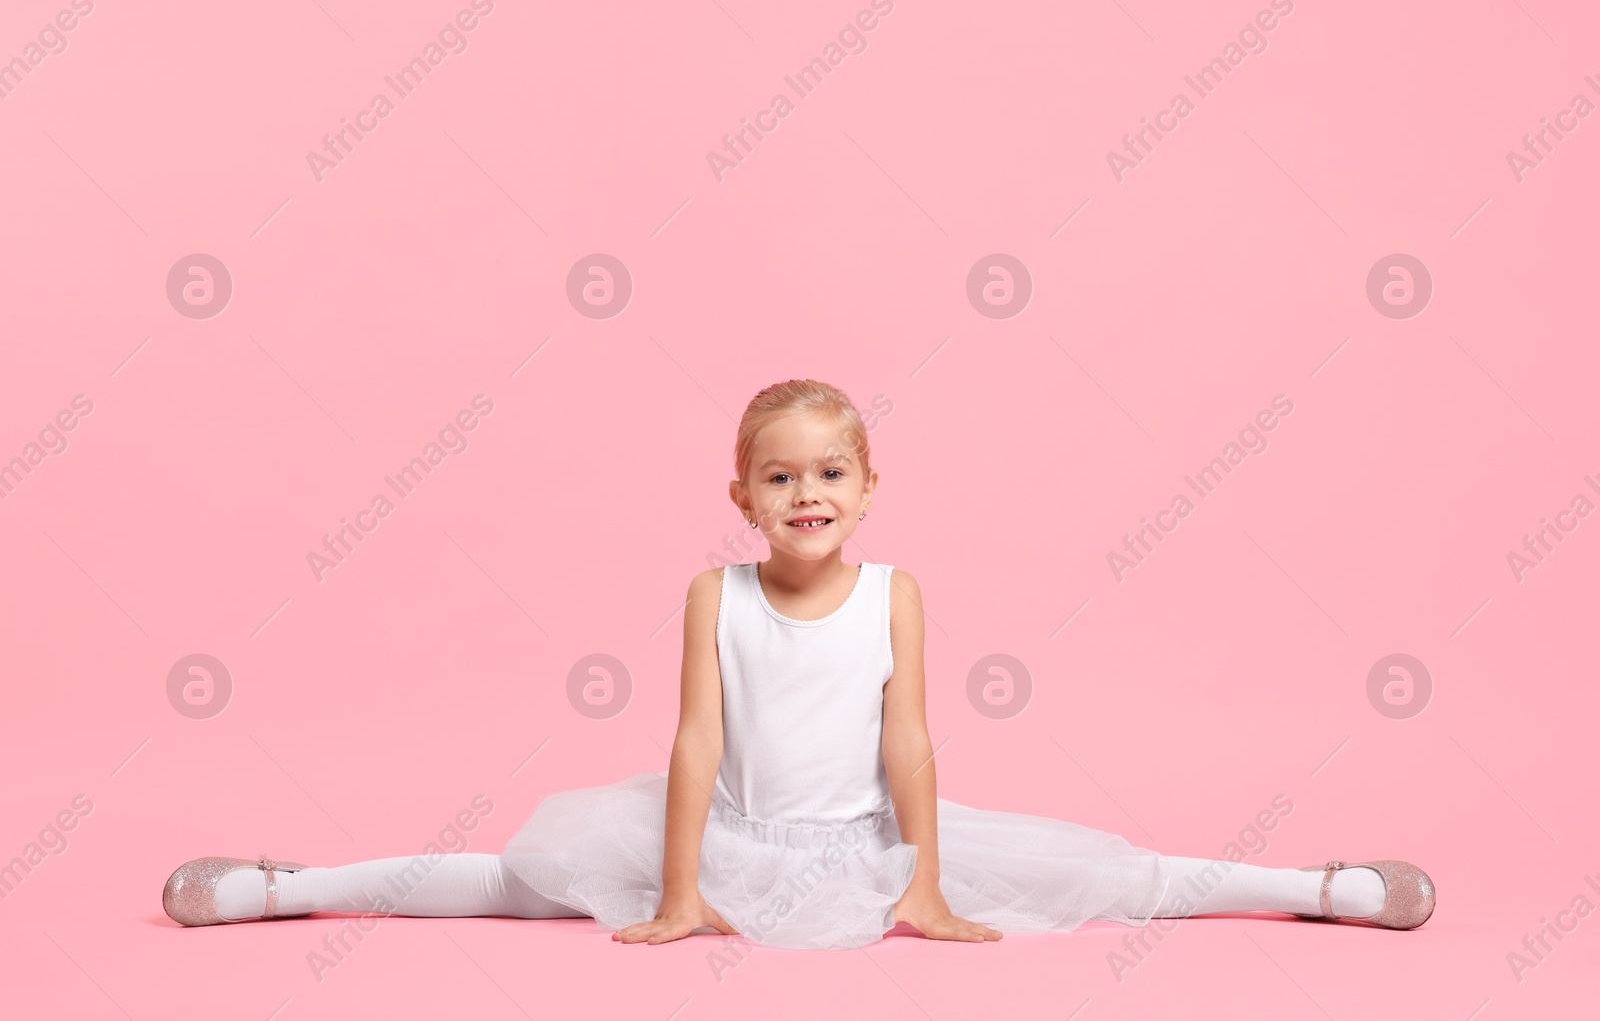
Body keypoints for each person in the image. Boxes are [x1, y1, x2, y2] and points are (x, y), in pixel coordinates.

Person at [162, 379, 1434, 950]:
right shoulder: (714, 593)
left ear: (870, 487)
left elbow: (912, 743)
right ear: (742, 494)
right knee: (524, 876)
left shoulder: (896, 593)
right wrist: (674, 889)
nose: (805, 492)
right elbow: (695, 746)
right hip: (724, 830)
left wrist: (924, 882)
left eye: (830, 472)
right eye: (780, 474)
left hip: (869, 836)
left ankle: (1317, 883)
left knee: (1103, 872)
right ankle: (287, 885)